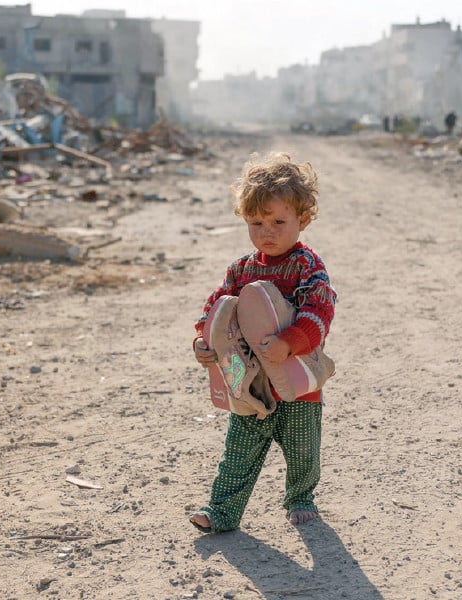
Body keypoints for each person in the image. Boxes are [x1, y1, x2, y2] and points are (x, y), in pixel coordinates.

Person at [189, 152, 337, 533]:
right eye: (256, 223)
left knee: (303, 451)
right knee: (238, 452)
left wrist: (291, 342)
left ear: (302, 220)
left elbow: (320, 309)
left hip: (295, 378)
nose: (266, 232)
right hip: (248, 380)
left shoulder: (306, 266)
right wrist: (203, 342)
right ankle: (222, 510)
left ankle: (301, 497)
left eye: (278, 222)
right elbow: (217, 309)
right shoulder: (241, 269)